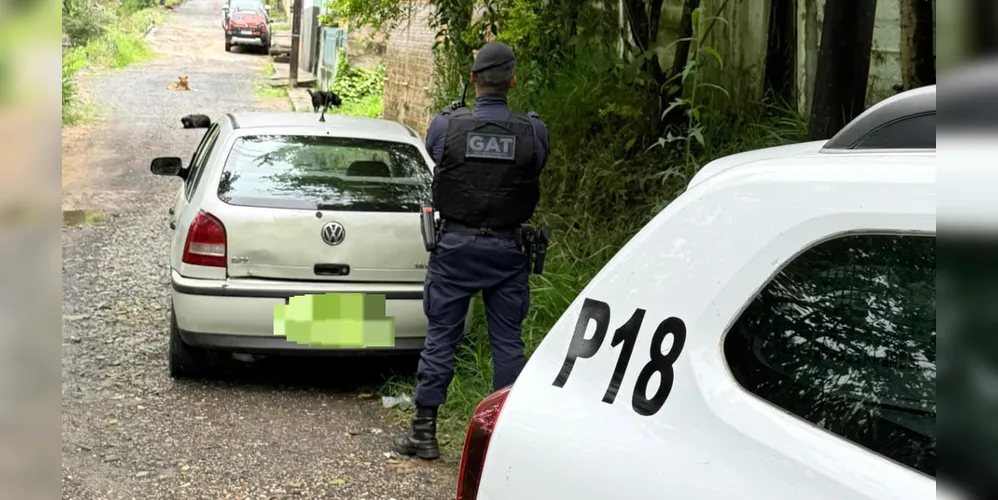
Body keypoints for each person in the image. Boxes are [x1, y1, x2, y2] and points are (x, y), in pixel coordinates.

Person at [392, 42, 550, 460]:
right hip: (507, 251)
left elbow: (434, 150)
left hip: (456, 250)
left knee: (441, 339)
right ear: (513, 82)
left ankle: (424, 434)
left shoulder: (446, 127)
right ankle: (504, 443)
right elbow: (536, 163)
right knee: (508, 346)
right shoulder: (533, 131)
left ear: (473, 79)